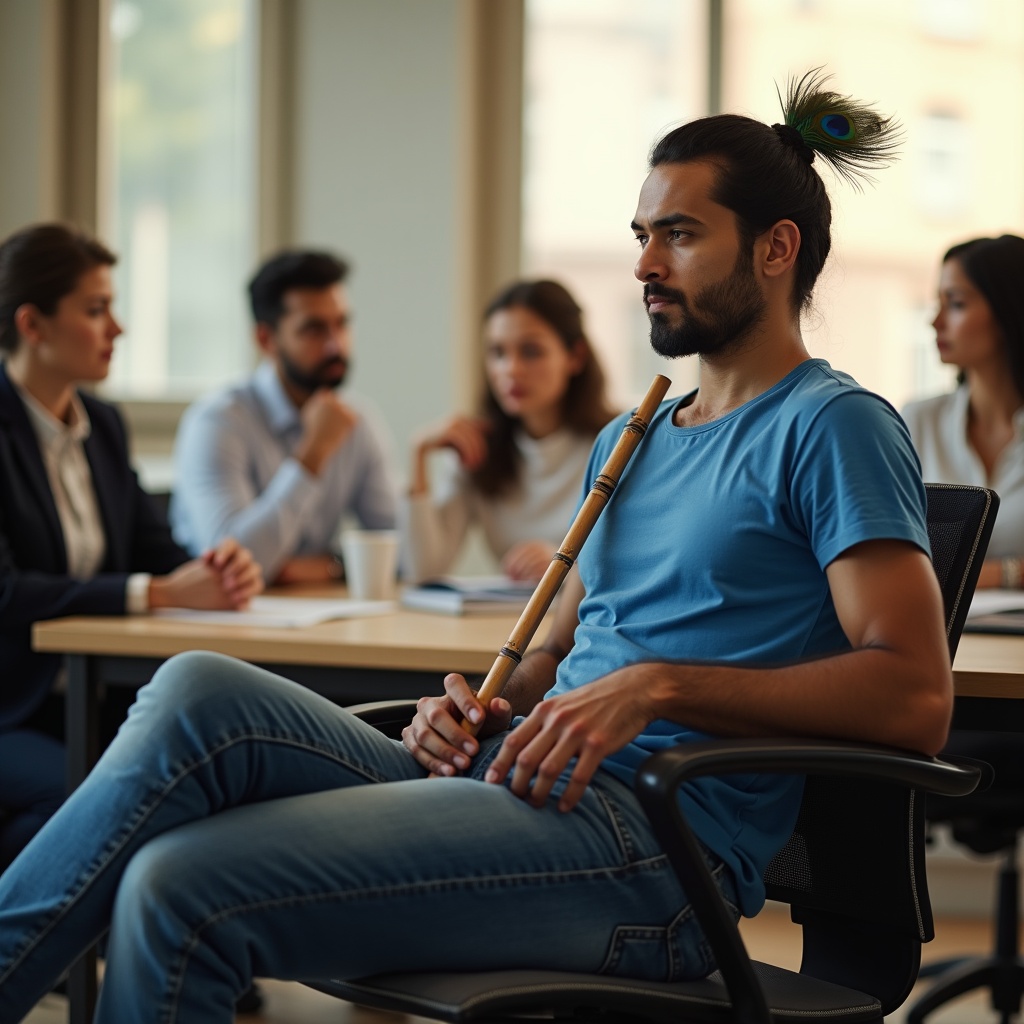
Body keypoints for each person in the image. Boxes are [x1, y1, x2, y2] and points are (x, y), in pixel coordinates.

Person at [0, 71, 954, 1024]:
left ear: (776, 249)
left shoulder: (833, 427)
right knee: (197, 685)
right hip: (525, 783)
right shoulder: (640, 435)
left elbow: (914, 694)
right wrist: (476, 706)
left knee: (175, 885)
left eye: (681, 234)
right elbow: (560, 658)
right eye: (641, 236)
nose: (644, 266)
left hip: (656, 854)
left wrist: (659, 686)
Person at [0, 223, 263, 874]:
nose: (116, 328)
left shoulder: (103, 427)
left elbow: (154, 545)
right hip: (13, 705)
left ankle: (184, 967)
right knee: (94, 802)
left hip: (95, 698)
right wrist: (158, 593)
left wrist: (212, 570)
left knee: (203, 783)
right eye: (96, 311)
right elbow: (6, 591)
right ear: (33, 324)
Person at [169, 249, 398, 585]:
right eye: (314, 330)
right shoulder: (216, 422)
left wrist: (334, 565)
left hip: (314, 618)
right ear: (266, 339)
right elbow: (229, 566)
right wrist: (312, 456)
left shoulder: (357, 419)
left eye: (342, 324)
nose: (337, 345)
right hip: (212, 626)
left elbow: (401, 551)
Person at [403, 279, 617, 583]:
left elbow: (643, 567)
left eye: (530, 351)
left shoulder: (618, 444)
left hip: (589, 626)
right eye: (497, 352)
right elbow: (423, 570)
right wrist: (418, 452)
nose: (511, 369)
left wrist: (566, 568)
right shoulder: (479, 448)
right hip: (505, 626)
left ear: (575, 357)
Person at [902, 234, 1024, 589]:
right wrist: (1011, 573)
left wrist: (983, 575)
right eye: (936, 303)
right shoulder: (917, 421)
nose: (935, 321)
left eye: (955, 303)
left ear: (1008, 309)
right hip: (936, 631)